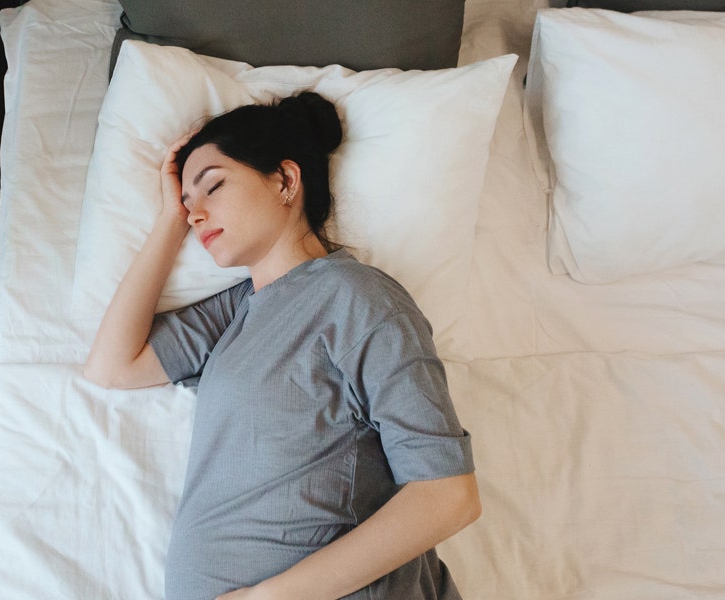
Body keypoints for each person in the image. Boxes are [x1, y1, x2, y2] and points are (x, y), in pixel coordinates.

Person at [83, 91, 480, 600]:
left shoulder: (357, 297)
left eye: (214, 187)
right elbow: (112, 365)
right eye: (188, 204)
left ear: (285, 180)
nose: (196, 214)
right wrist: (169, 219)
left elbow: (448, 494)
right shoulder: (237, 311)